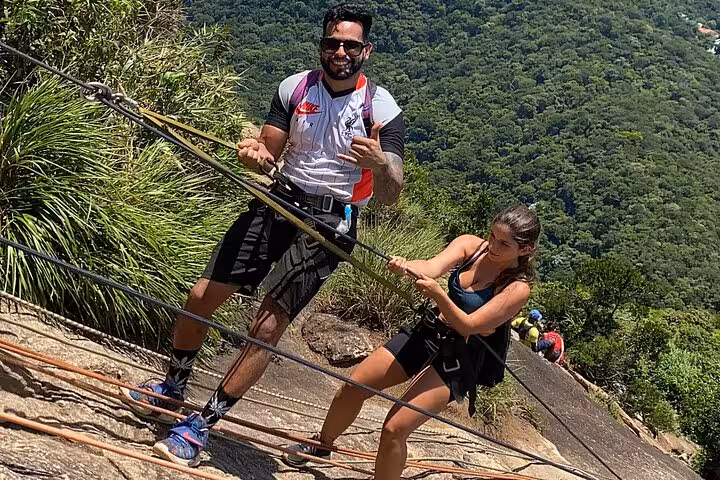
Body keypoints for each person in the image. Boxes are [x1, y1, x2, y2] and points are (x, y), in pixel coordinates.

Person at [119, 3, 405, 467]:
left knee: (268, 325)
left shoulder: (382, 108)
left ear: (365, 51)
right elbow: (268, 151)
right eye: (332, 42)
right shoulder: (295, 88)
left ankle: (201, 426)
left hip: (333, 222)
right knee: (201, 296)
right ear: (322, 44)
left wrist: (379, 164)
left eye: (350, 45)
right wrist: (253, 154)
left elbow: (392, 192)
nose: (340, 52)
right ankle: (173, 387)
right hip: (280, 200)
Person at [282, 205, 540, 480]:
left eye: (503, 243)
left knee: (395, 428)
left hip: (461, 356)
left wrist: (439, 294)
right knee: (353, 385)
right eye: (491, 235)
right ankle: (323, 443)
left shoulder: (517, 289)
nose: (492, 245)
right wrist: (407, 266)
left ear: (525, 250)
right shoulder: (470, 246)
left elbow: (470, 324)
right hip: (430, 331)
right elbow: (431, 266)